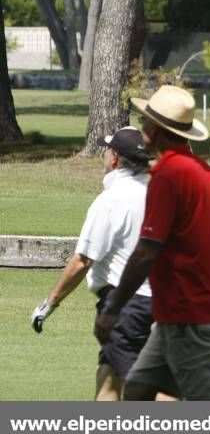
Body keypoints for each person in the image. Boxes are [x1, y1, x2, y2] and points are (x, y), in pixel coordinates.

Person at [93, 85, 210, 401]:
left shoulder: (166, 176)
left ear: (158, 130)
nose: (143, 127)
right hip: (172, 317)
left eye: (147, 121)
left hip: (187, 316)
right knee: (137, 389)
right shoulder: (209, 175)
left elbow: (147, 251)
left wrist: (114, 307)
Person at [31, 127, 152, 401]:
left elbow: (83, 261)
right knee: (108, 375)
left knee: (145, 392)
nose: (104, 155)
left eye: (107, 150)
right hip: (162, 303)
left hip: (126, 308)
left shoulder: (110, 200)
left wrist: (50, 303)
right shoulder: (160, 193)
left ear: (115, 159)